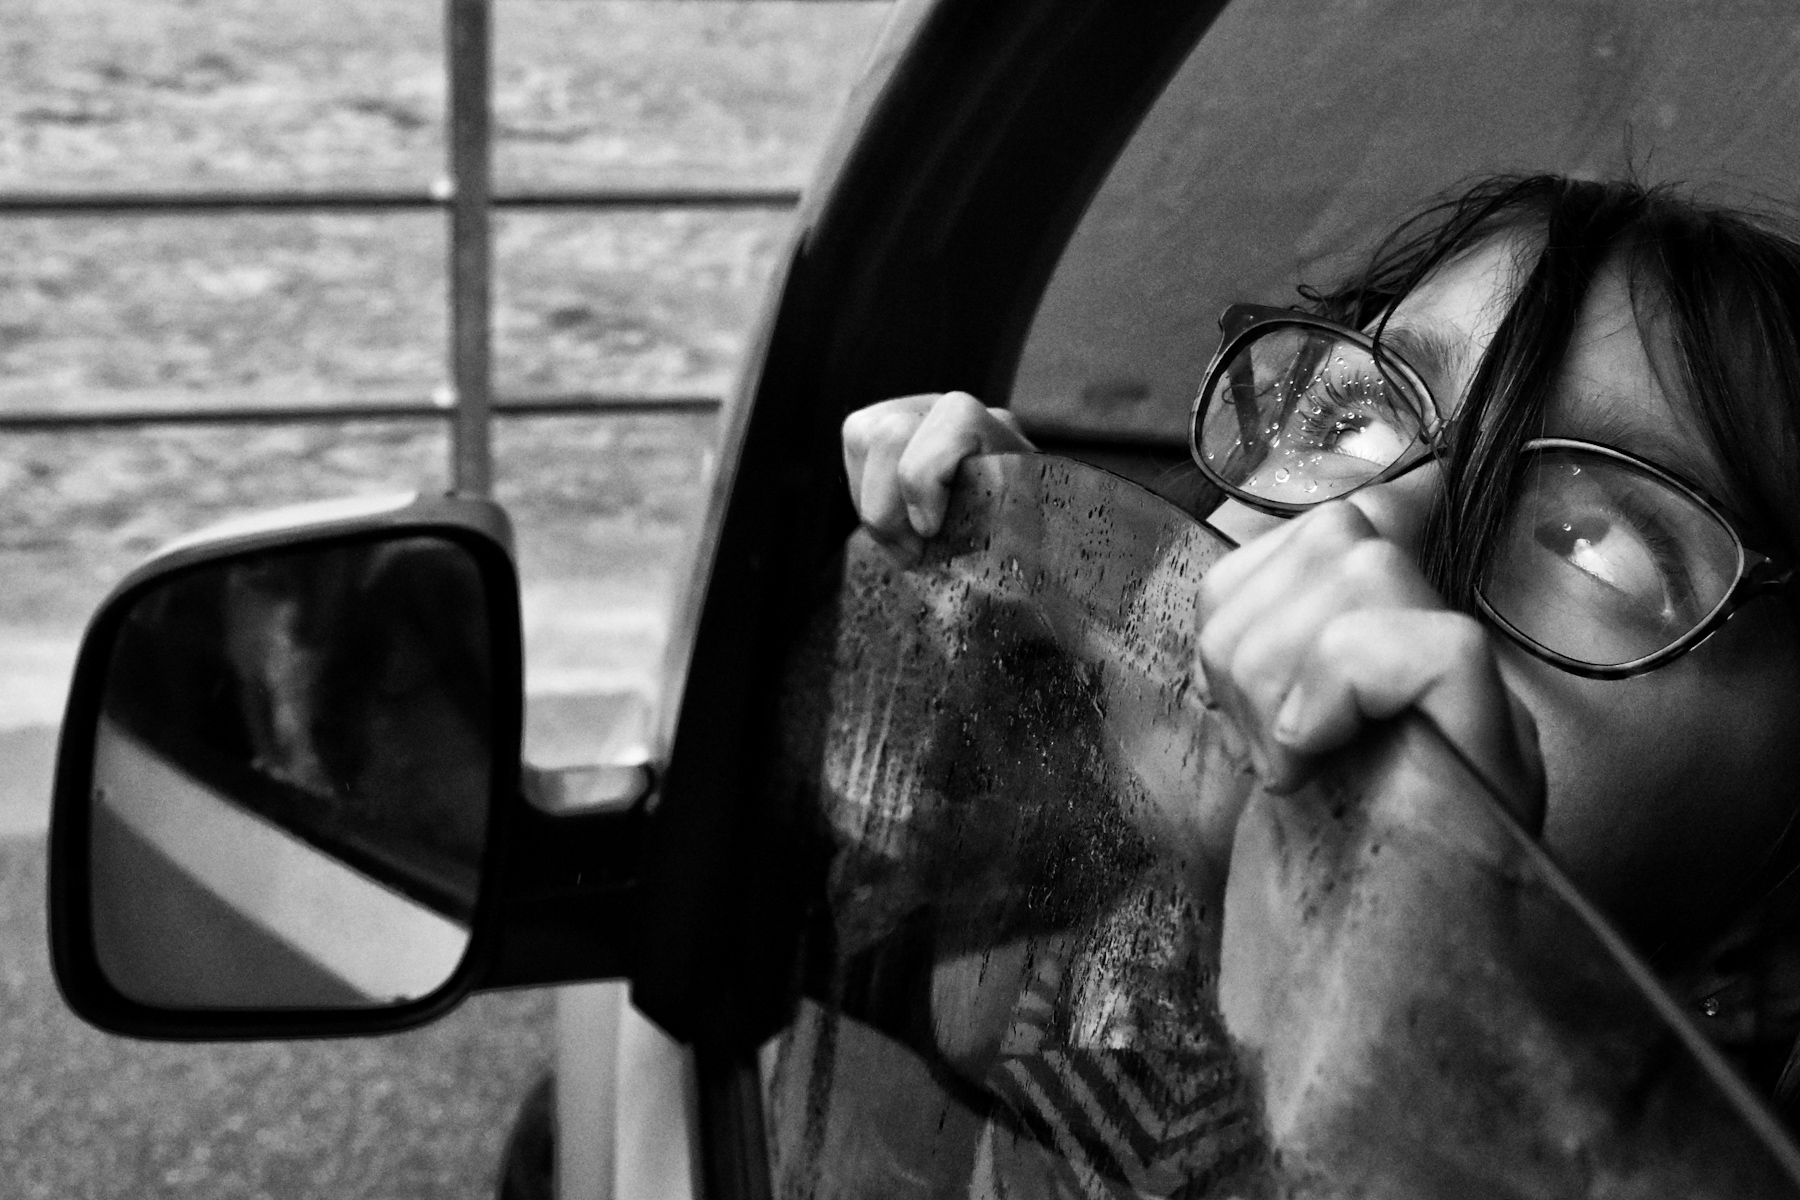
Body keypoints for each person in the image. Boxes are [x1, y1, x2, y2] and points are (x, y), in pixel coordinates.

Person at [839, 173, 1800, 1105]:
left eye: (1591, 545)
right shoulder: (999, 965)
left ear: (1763, 942)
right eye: (1350, 422)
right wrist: (967, 732)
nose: (1355, 530)